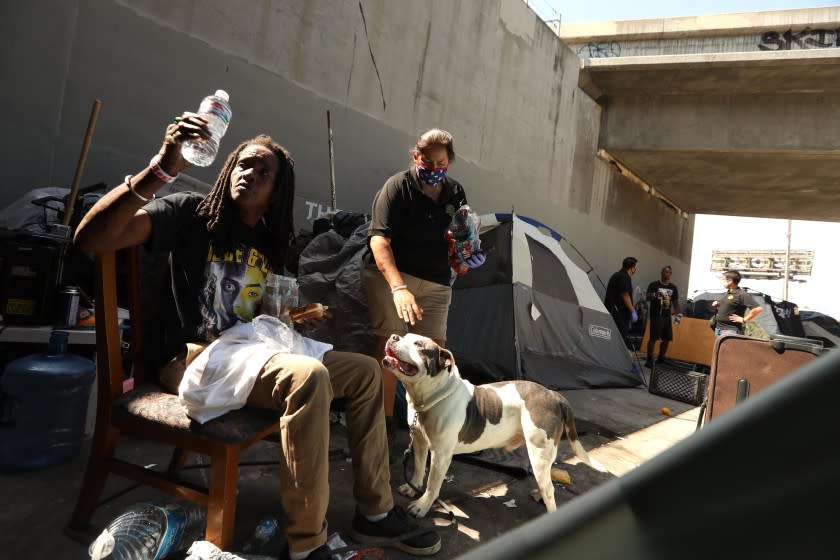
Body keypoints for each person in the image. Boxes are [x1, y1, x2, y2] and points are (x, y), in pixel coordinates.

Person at [73, 114, 441, 560]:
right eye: (244, 165)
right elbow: (92, 239)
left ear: (277, 193)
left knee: (364, 371)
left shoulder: (270, 242)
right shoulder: (190, 213)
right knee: (307, 377)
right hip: (191, 359)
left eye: (264, 172)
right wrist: (162, 167)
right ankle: (307, 545)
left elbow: (261, 315)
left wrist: (291, 320)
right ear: (228, 168)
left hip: (251, 354)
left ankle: (376, 514)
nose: (249, 174)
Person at [363, 128, 485, 416]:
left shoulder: (455, 192)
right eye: (427, 162)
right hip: (393, 274)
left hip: (435, 281)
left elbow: (459, 239)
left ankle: (430, 426)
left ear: (449, 162)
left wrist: (465, 259)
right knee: (390, 347)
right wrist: (398, 288)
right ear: (416, 157)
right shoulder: (397, 187)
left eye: (440, 163)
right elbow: (379, 241)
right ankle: (383, 426)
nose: (433, 169)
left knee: (434, 354)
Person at [645, 265, 683, 368]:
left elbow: (675, 303)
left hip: (667, 316)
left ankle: (661, 358)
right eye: (665, 272)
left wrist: (678, 316)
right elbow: (647, 298)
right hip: (656, 315)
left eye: (669, 272)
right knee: (653, 338)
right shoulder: (654, 285)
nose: (667, 274)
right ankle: (649, 360)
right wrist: (654, 295)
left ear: (671, 274)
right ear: (661, 273)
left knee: (667, 339)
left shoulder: (673, 287)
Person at [711, 270, 762, 336]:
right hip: (719, 329)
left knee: (730, 347)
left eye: (723, 279)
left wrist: (744, 320)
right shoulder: (728, 293)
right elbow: (730, 304)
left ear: (730, 281)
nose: (722, 281)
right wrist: (718, 303)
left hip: (730, 330)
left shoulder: (742, 294)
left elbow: (758, 309)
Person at [604, 257, 639, 347]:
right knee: (619, 338)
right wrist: (633, 311)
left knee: (611, 337)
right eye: (636, 267)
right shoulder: (625, 277)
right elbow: (625, 295)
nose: (636, 269)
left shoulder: (616, 275)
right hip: (619, 315)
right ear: (632, 268)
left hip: (612, 312)